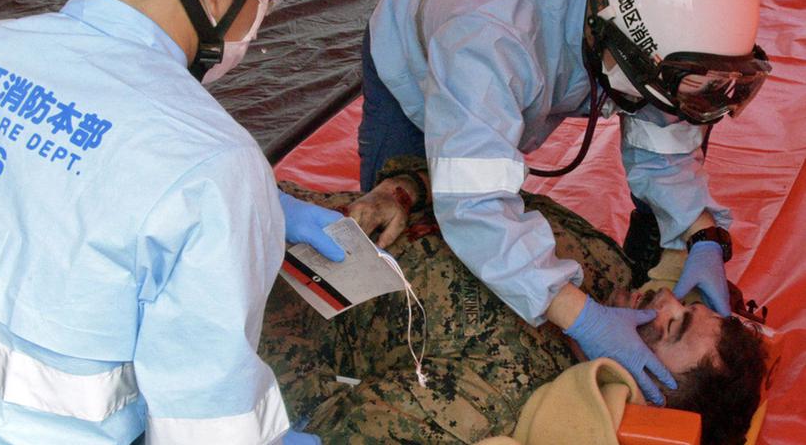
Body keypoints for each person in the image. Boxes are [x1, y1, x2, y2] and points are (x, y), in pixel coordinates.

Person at [0, 0, 343, 443]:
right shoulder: (212, 165)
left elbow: (22, 188)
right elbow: (206, 429)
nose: (263, 12)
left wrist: (251, 208)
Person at [350, 0, 771, 404]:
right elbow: (474, 203)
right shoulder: (488, 45)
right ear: (619, 52)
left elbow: (664, 145)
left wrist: (703, 235)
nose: (664, 303)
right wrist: (581, 316)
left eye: (669, 326)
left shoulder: (645, 10)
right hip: (415, 38)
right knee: (371, 246)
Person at [263, 167, 767, 445]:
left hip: (235, 288)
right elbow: (475, 185)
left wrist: (269, 314)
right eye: (686, 305)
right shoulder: (602, 266)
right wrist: (402, 191)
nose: (663, 299)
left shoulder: (489, 394)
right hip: (269, 197)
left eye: (664, 331)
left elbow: (319, 421)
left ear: (634, 388)